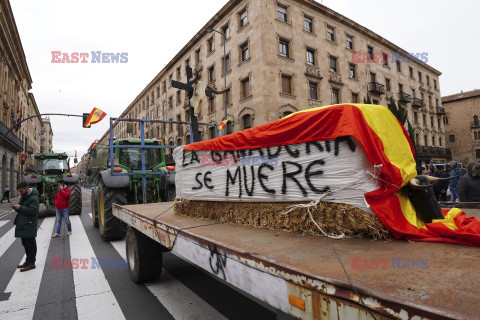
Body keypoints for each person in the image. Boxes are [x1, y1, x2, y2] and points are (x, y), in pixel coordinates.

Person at [12, 182, 39, 272]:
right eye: (19, 191)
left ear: (27, 189)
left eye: (21, 191)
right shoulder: (24, 196)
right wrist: (17, 208)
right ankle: (28, 261)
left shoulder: (34, 198)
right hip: (24, 223)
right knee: (25, 243)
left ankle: (32, 263)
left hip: (29, 224)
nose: (20, 193)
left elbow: (33, 211)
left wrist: (20, 208)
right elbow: (22, 207)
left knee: (30, 244)